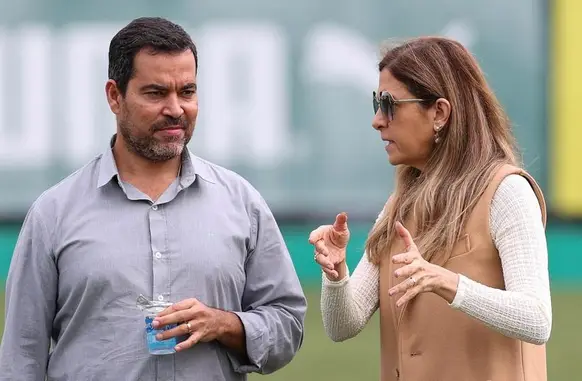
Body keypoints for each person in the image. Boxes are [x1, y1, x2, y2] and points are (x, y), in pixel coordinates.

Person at [0, 17, 306, 381]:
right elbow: (21, 357)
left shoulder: (242, 203)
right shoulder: (53, 214)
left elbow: (287, 325)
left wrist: (224, 324)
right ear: (115, 96)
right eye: (156, 93)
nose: (176, 108)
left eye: (187, 91)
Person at [309, 36, 552, 381]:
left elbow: (537, 319)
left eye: (390, 104)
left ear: (439, 112)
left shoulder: (507, 192)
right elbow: (342, 325)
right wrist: (336, 274)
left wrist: (449, 283)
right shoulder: (398, 207)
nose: (378, 120)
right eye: (376, 103)